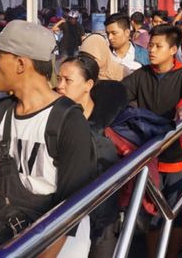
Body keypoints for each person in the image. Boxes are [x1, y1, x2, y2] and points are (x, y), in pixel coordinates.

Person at [0, 20, 96, 255]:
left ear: (21, 64)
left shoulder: (69, 122)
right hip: (5, 237)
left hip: (58, 243)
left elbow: (71, 208)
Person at [121, 24, 182, 258]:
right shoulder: (141, 75)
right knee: (152, 211)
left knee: (176, 209)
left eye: (158, 46)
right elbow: (120, 94)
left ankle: (170, 254)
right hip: (149, 154)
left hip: (177, 155)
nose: (151, 50)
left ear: (173, 50)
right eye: (150, 45)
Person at [56, 54, 127, 256]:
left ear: (88, 85)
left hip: (102, 218)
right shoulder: (55, 117)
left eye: (68, 80)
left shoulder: (110, 122)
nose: (60, 86)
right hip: (65, 216)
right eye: (59, 79)